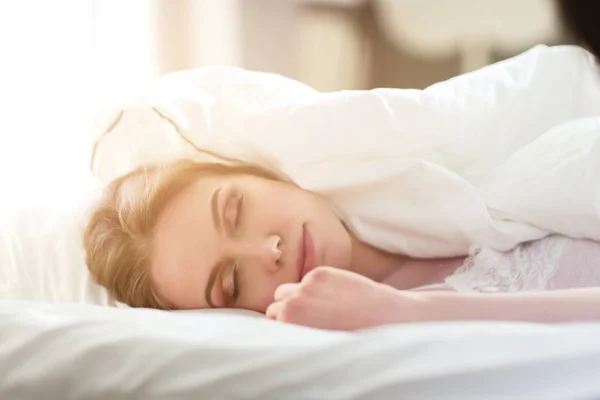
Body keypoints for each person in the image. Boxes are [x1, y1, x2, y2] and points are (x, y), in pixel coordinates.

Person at [84, 158, 600, 331]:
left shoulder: (437, 179)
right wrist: (404, 312)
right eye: (233, 282)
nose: (270, 252)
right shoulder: (381, 329)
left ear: (260, 172)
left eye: (237, 210)